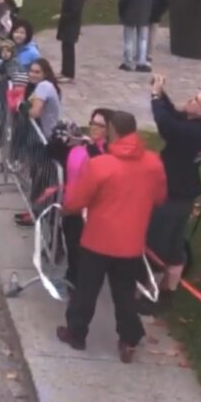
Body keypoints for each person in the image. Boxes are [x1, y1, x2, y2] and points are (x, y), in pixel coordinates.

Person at [57, 111, 167, 363]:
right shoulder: (153, 163)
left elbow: (76, 200)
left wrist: (66, 208)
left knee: (87, 290)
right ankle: (128, 338)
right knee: (124, 292)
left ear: (113, 131)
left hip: (98, 239)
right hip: (130, 243)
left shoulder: (100, 165)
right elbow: (160, 197)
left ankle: (76, 333)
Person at [141, 76, 201, 314]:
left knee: (157, 246)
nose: (191, 100)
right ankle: (167, 294)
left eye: (197, 101)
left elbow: (167, 124)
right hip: (182, 194)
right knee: (174, 246)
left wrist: (155, 96)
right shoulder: (200, 127)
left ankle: (149, 295)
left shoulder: (193, 133)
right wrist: (161, 93)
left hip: (171, 197)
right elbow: (174, 114)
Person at [62, 108, 114, 288]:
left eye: (101, 125)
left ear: (109, 130)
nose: (95, 128)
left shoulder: (106, 153)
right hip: (71, 206)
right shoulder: (81, 147)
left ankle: (80, 283)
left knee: (82, 251)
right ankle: (72, 275)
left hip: (88, 211)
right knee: (71, 243)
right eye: (93, 123)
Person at [118, 0, 156, 72]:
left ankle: (128, 63)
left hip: (130, 14)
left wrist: (121, 12)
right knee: (143, 40)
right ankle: (141, 62)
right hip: (145, 14)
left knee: (129, 40)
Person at [55, 0, 88, 83]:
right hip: (67, 25)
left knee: (69, 49)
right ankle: (64, 71)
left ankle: (69, 74)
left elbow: (74, 11)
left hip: (71, 25)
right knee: (65, 47)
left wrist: (62, 16)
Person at [25, 58, 63, 138]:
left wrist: (21, 109)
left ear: (45, 74)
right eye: (31, 71)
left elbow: (35, 113)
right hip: (44, 133)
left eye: (37, 72)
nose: (32, 74)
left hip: (45, 136)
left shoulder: (44, 86)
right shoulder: (43, 85)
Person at [147, 0, 171, 64]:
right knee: (142, 34)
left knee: (152, 36)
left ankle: (149, 54)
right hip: (145, 11)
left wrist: (161, 12)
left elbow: (167, 0)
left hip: (156, 13)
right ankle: (140, 52)